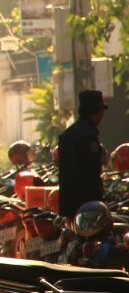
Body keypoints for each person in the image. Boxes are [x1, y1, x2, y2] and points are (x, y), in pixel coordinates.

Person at [58, 89, 108, 220]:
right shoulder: (88, 135)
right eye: (102, 110)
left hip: (68, 205)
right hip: (86, 206)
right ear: (98, 110)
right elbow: (91, 172)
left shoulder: (67, 134)